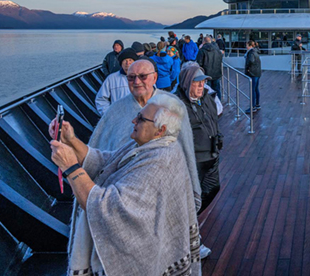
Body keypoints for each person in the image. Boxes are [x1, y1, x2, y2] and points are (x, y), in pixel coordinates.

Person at [49, 95, 201, 275]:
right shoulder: (153, 146)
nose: (133, 120)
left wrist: (71, 168)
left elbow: (110, 209)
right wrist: (71, 140)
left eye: (141, 119)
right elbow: (107, 162)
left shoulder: (160, 162)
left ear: (161, 130)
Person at [87, 60, 201, 211]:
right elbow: (99, 146)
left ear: (154, 78)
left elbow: (186, 150)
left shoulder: (173, 105)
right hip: (126, 192)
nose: (137, 81)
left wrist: (192, 188)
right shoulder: (115, 110)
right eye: (131, 77)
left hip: (165, 187)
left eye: (142, 76)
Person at [178, 63, 222, 259]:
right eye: (197, 83)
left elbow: (214, 117)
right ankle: (189, 235)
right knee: (191, 198)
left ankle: (186, 221)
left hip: (212, 155)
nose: (201, 86)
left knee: (213, 188)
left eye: (203, 82)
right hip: (192, 160)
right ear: (187, 83)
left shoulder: (207, 98)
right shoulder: (177, 104)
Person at [95, 48, 137, 116]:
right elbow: (101, 99)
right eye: (125, 60)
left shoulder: (142, 78)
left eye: (130, 60)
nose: (127, 63)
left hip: (138, 119)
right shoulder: (111, 79)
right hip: (118, 119)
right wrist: (109, 115)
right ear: (121, 63)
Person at [196, 36, 224, 100]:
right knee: (217, 90)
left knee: (207, 90)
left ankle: (209, 104)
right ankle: (218, 103)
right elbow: (220, 59)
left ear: (203, 42)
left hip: (206, 74)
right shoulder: (217, 50)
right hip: (217, 73)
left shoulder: (202, 50)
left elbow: (199, 63)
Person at [244, 40, 262, 113]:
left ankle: (253, 106)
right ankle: (257, 104)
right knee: (256, 89)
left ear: (249, 45)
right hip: (257, 72)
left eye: (247, 45)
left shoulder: (251, 53)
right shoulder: (256, 51)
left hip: (253, 73)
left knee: (253, 90)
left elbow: (251, 61)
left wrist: (248, 69)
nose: (246, 47)